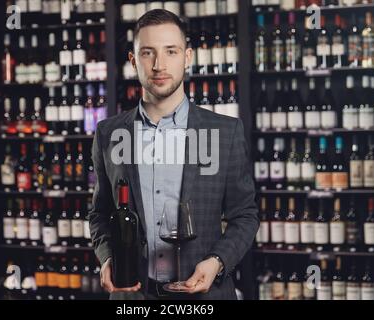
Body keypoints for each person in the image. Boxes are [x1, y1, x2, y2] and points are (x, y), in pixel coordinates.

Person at [89, 9, 259, 300]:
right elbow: (100, 213)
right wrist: (106, 258)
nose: (159, 64)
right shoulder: (108, 133)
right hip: (132, 295)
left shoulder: (225, 132)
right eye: (147, 53)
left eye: (171, 51)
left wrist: (217, 262)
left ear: (188, 57)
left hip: (205, 297)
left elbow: (245, 215)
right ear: (133, 61)